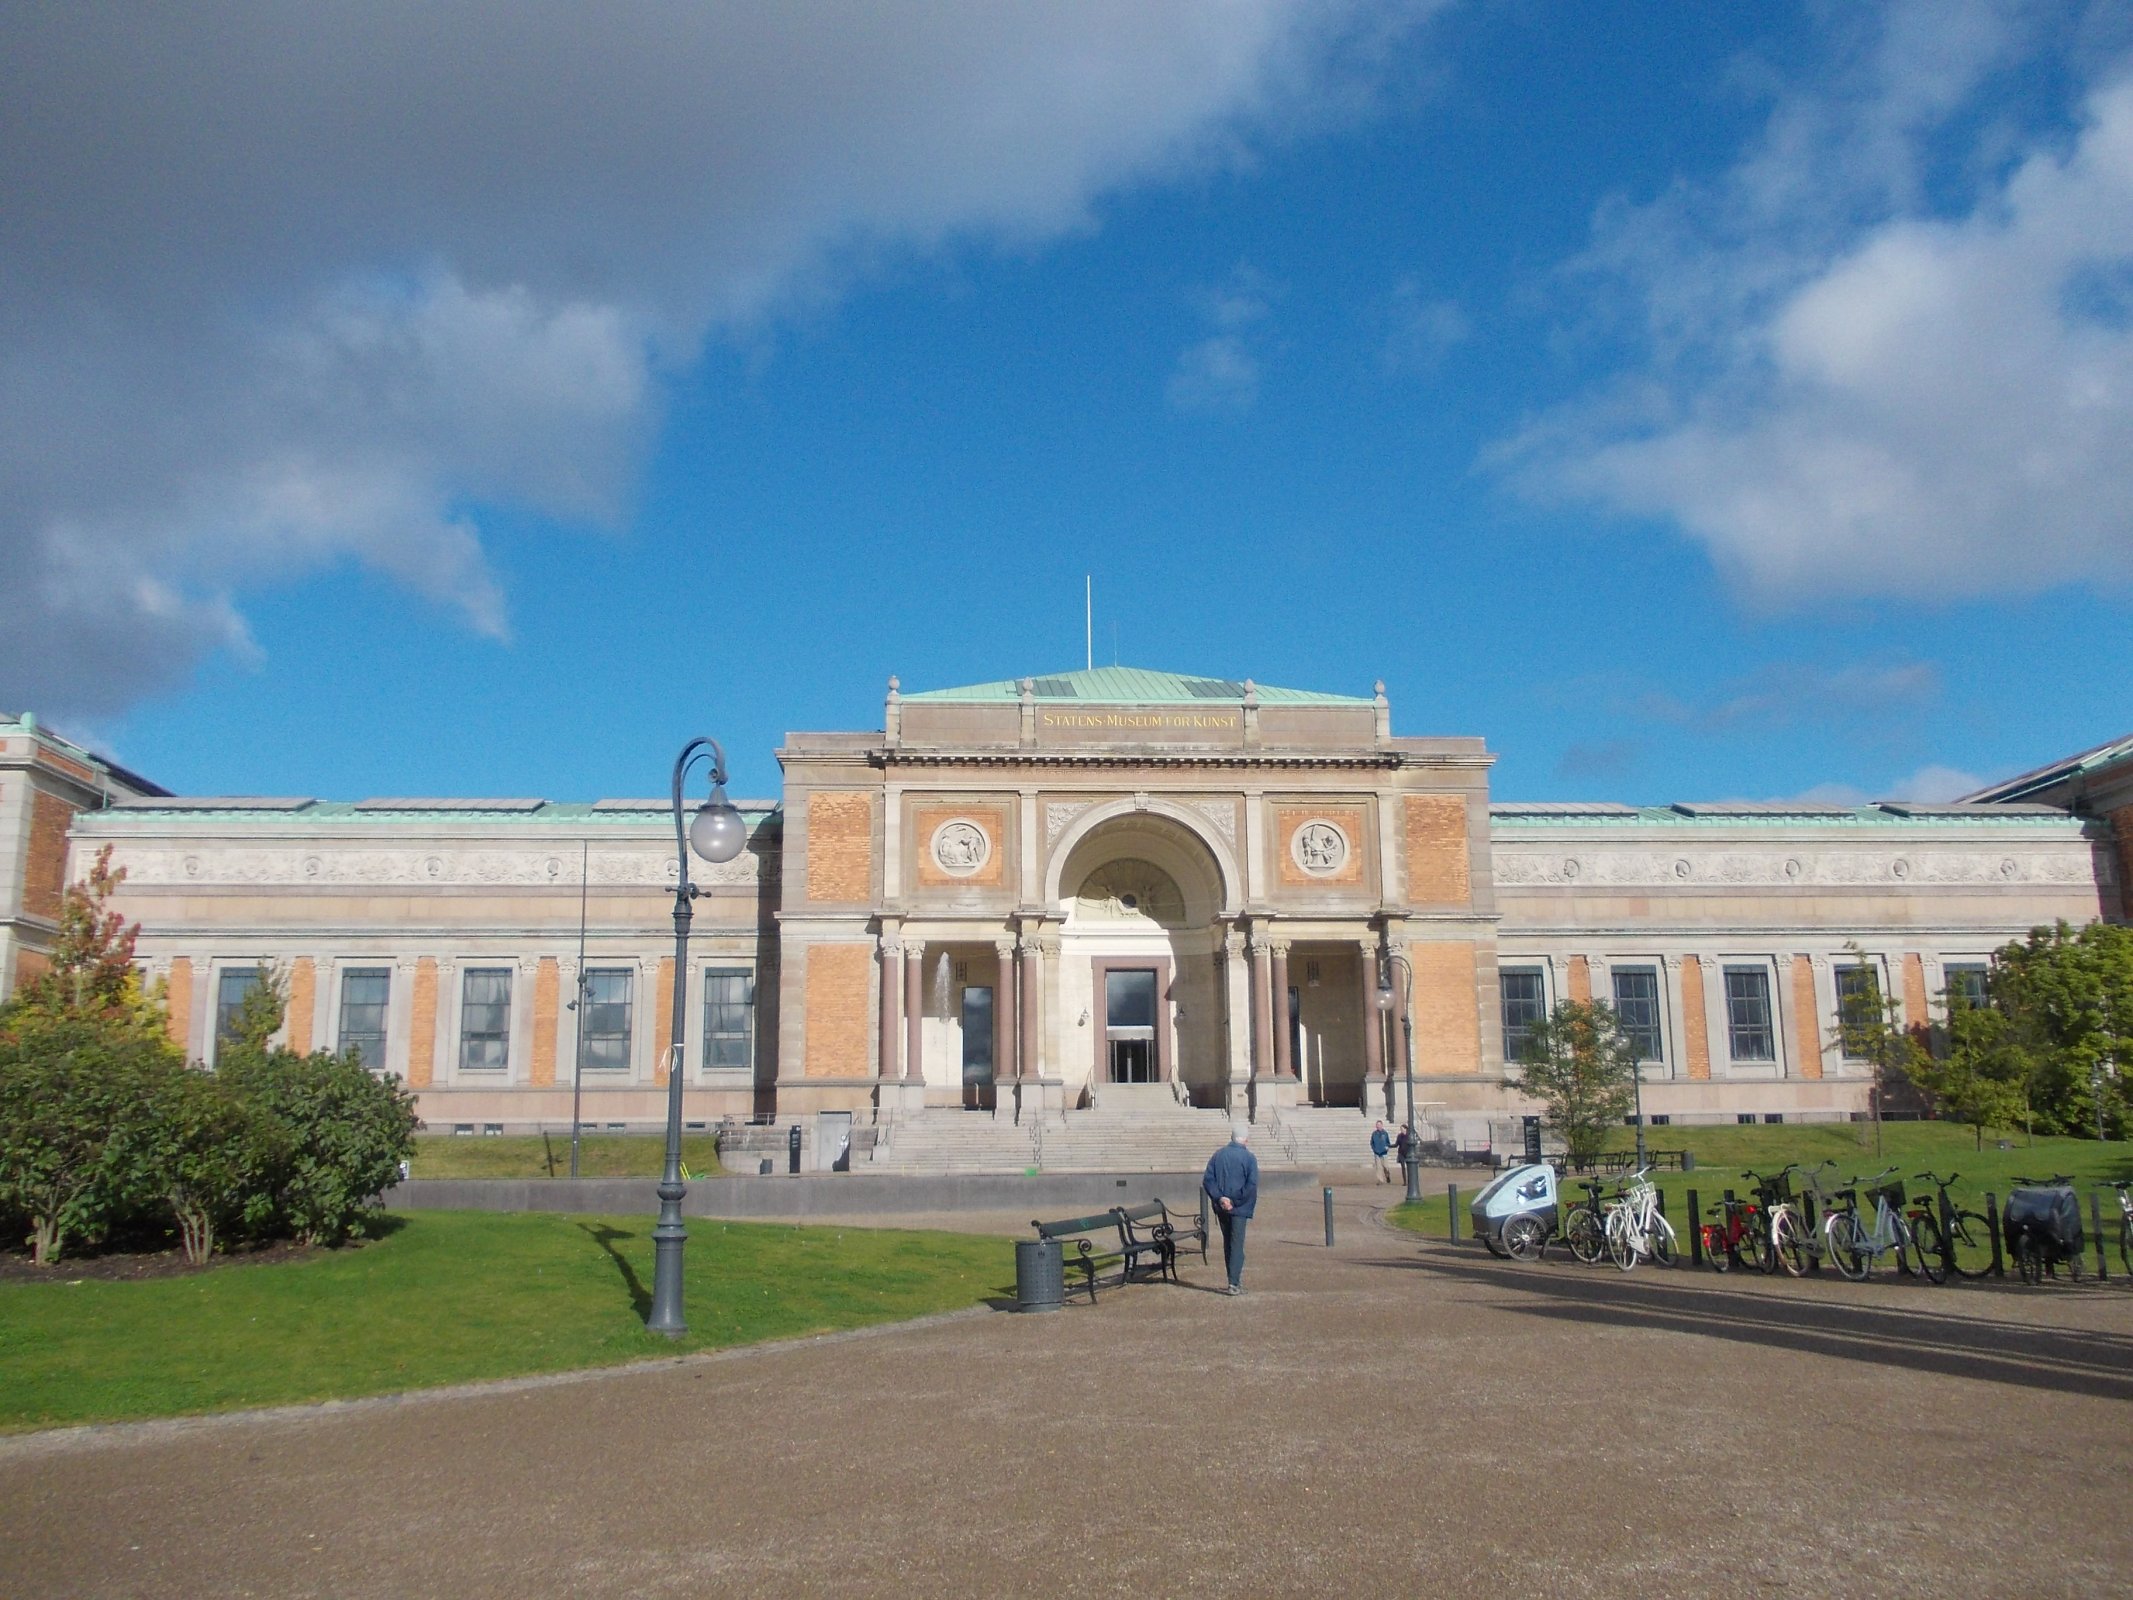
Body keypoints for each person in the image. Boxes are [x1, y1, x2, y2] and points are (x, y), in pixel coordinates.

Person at [1202, 1122, 1259, 1296]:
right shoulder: (1249, 1158)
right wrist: (1233, 1201)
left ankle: (1233, 1279)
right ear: (1246, 1139)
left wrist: (1220, 1198)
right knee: (1236, 1244)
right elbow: (1251, 1185)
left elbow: (1208, 1180)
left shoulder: (1218, 1155)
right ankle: (1234, 1283)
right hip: (1239, 1208)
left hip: (1221, 1207)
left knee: (1228, 1243)